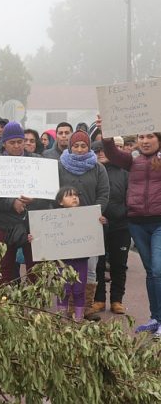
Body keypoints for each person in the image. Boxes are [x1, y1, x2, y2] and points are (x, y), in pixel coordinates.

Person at [97, 115, 161, 336]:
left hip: (159, 222)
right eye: (141, 136)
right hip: (136, 223)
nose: (145, 140)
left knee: (159, 268)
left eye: (150, 136)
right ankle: (155, 318)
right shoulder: (132, 160)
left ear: (158, 139)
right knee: (151, 272)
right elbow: (113, 154)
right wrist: (105, 133)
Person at [0, 121, 51, 283]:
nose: (17, 146)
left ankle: (36, 300)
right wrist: (12, 203)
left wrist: (34, 200)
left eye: (20, 142)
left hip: (31, 223)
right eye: (12, 142)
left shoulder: (37, 161)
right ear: (4, 143)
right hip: (3, 222)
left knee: (35, 266)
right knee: (4, 266)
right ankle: (5, 301)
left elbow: (48, 191)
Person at [58, 129, 109, 320]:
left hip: (89, 225)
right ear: (70, 147)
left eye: (83, 146)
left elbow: (104, 194)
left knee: (90, 267)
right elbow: (53, 195)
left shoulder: (98, 168)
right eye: (76, 146)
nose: (80, 149)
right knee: (65, 266)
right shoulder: (60, 166)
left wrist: (93, 214)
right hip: (63, 224)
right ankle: (67, 307)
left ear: (88, 147)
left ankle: (85, 307)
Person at [43, 186, 104, 321]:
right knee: (63, 290)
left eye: (76, 195)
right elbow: (43, 236)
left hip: (81, 260)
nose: (74, 197)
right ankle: (61, 318)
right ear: (60, 202)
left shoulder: (88, 216)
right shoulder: (52, 219)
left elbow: (96, 233)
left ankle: (78, 318)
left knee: (79, 290)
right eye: (69, 195)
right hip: (62, 262)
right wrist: (33, 237)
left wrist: (101, 223)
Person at [91, 140, 130, 315]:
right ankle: (98, 299)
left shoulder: (124, 172)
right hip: (97, 225)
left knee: (119, 264)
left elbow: (131, 196)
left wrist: (122, 213)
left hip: (120, 225)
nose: (100, 153)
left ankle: (117, 300)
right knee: (98, 264)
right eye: (96, 150)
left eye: (103, 150)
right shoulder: (92, 172)